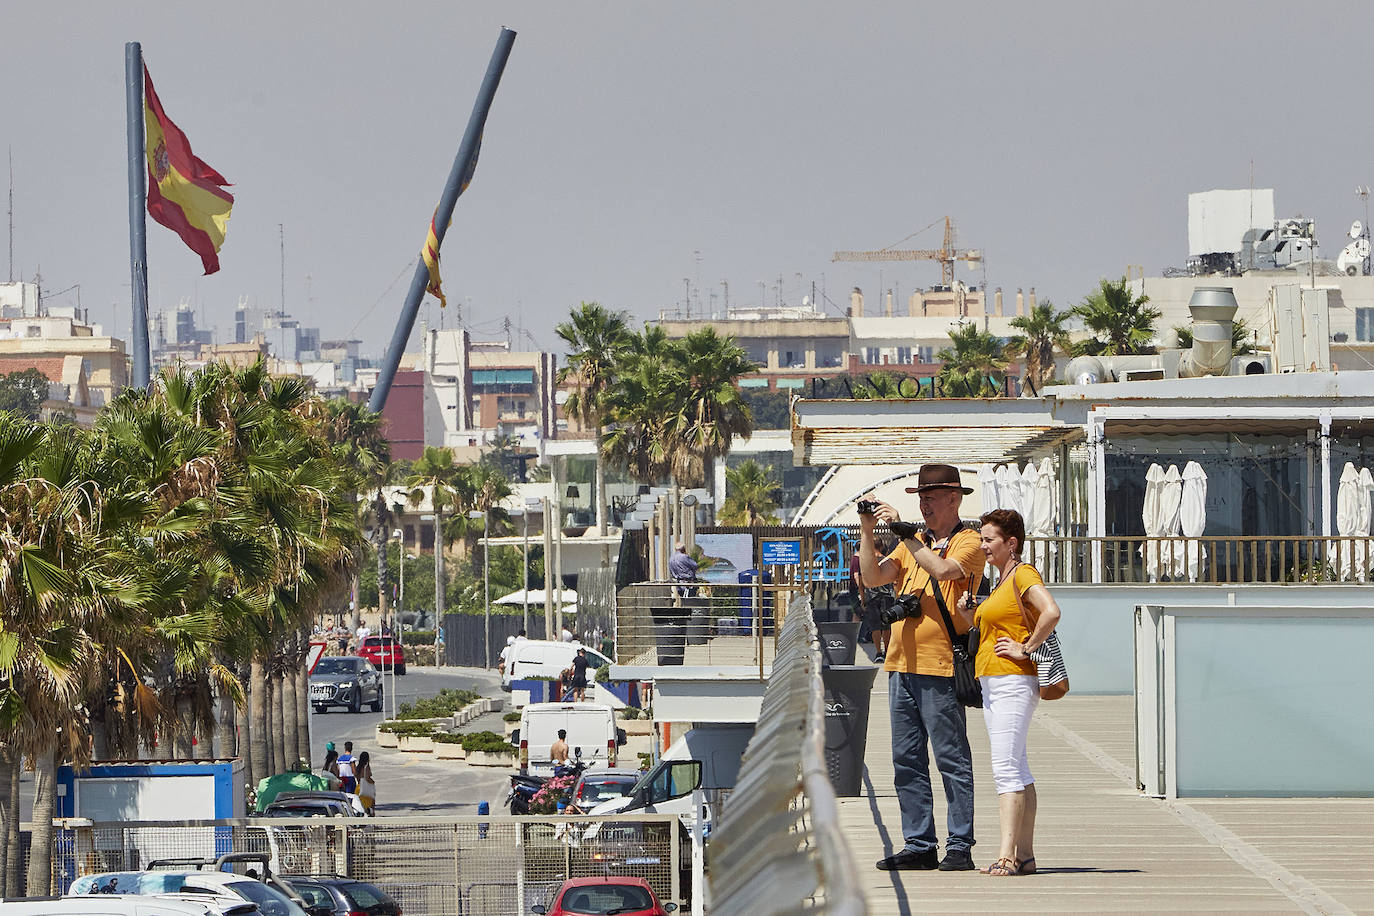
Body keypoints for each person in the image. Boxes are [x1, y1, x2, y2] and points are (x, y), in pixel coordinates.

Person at [858, 463, 982, 872]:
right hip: (900, 665)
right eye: (920, 499)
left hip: (942, 667)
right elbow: (875, 577)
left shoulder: (969, 541)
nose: (924, 506)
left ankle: (960, 844)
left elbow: (944, 571)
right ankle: (919, 843)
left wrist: (905, 533)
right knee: (906, 759)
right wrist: (866, 528)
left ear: (954, 499)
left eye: (930, 499)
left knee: (951, 758)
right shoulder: (916, 542)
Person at [956, 508, 1061, 877]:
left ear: (1010, 543)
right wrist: (971, 615)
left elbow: (1050, 611)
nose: (982, 546)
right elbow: (994, 627)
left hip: (1013, 680)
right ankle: (1026, 855)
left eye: (988, 540)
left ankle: (1006, 855)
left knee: (1004, 769)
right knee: (1018, 767)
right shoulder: (1001, 579)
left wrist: (1026, 648)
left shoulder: (1023, 573)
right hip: (995, 682)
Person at [862, 540, 894, 663]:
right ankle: (887, 651)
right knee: (886, 625)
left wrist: (863, 598)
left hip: (871, 596)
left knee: (875, 626)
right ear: (881, 546)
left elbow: (861, 580)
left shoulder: (868, 562)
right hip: (887, 596)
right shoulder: (887, 560)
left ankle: (878, 652)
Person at [355, 751, 377, 816]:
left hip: (358, 788)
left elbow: (357, 776)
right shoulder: (366, 766)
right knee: (370, 806)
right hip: (365, 788)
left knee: (361, 806)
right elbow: (367, 778)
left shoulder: (358, 767)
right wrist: (372, 782)